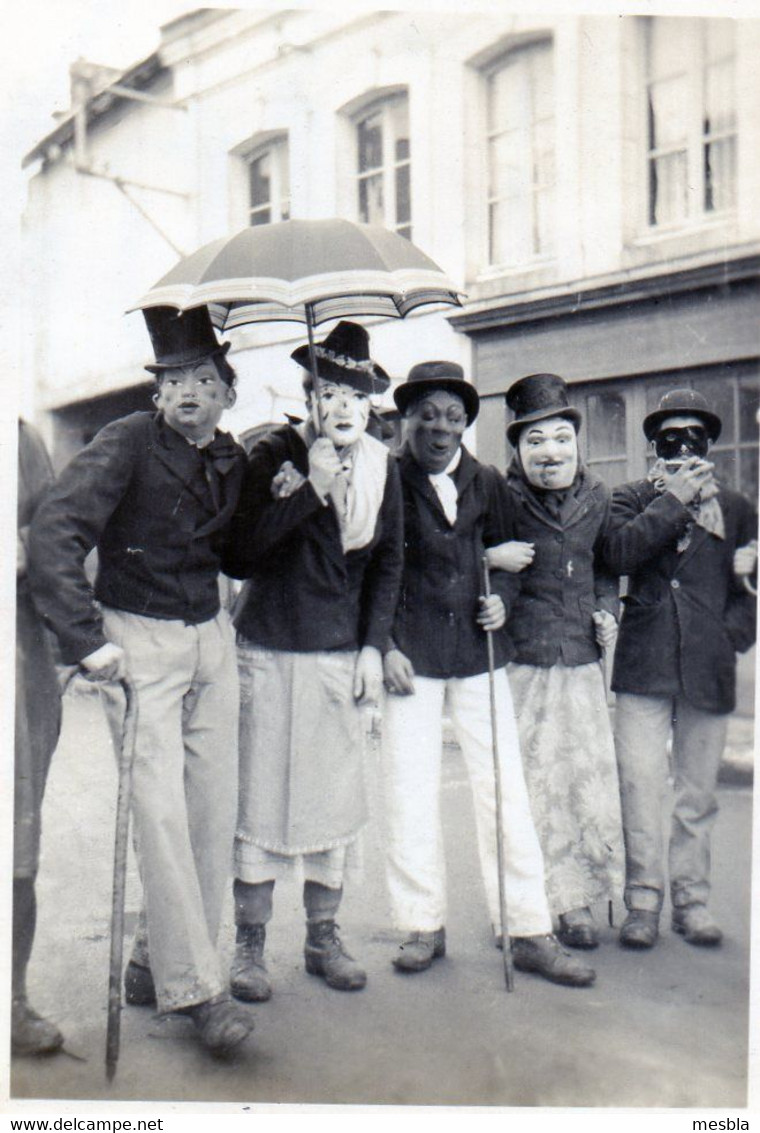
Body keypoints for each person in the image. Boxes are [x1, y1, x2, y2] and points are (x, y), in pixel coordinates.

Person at [28, 306, 254, 1055]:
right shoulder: (125, 442)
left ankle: (155, 961)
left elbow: (248, 553)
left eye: (203, 378)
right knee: (158, 816)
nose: (187, 391)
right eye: (173, 380)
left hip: (211, 644)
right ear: (157, 393)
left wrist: (310, 487)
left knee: (210, 815)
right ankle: (200, 991)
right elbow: (57, 530)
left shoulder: (232, 458)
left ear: (228, 391)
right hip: (138, 645)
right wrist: (85, 639)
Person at [381, 361, 595, 987]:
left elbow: (515, 561)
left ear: (467, 424)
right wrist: (387, 644)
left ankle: (527, 927)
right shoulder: (388, 480)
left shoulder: (486, 483)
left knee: (503, 790)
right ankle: (422, 924)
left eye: (453, 415)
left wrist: (500, 591)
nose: (440, 427)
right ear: (407, 420)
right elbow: (377, 566)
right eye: (427, 415)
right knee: (409, 789)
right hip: (412, 655)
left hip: (479, 654)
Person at [224, 321, 402, 998]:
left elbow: (389, 561)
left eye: (357, 393)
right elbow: (240, 554)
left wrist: (372, 645)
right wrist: (309, 489)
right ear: (310, 395)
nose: (344, 406)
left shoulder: (385, 464)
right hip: (268, 645)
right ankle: (250, 943)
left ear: (372, 402)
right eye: (331, 392)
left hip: (336, 650)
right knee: (261, 797)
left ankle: (324, 935)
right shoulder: (272, 451)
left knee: (332, 796)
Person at [603, 388, 757, 949]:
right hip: (645, 663)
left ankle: (692, 901)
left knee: (696, 795)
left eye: (695, 437)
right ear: (653, 445)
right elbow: (618, 555)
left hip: (706, 667)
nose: (683, 446)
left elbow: (749, 591)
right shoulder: (629, 498)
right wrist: (674, 501)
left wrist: (730, 637)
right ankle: (642, 900)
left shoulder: (737, 510)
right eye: (671, 437)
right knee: (640, 785)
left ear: (710, 444)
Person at [485, 373, 624, 950]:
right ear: (517, 449)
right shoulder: (500, 496)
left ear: (577, 443)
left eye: (561, 438)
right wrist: (490, 555)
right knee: (531, 787)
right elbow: (463, 550)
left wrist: (607, 609)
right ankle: (531, 905)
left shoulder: (599, 497)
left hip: (582, 664)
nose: (551, 453)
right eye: (536, 441)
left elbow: (605, 568)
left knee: (582, 785)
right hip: (525, 663)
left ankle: (578, 903)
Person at [13, 421, 65, 1056]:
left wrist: (29, 546)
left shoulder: (17, 439)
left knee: (15, 845)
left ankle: (11, 1002)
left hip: (16, 664)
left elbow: (58, 533)